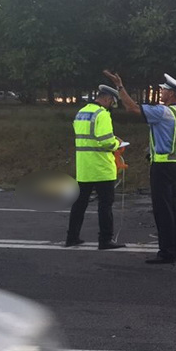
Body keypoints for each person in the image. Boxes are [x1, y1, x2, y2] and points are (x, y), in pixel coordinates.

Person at [105, 70, 176, 264]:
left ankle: (166, 253)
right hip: (175, 164)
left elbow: (132, 108)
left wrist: (120, 87)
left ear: (172, 94)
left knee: (163, 210)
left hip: (161, 165)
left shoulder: (163, 112)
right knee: (174, 208)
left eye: (164, 90)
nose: (161, 92)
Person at [65, 85, 126, 250]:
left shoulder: (82, 112)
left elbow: (89, 137)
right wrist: (117, 143)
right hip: (101, 168)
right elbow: (106, 141)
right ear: (107, 99)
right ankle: (105, 240)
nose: (111, 106)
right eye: (112, 102)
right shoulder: (102, 114)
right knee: (105, 205)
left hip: (84, 167)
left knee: (79, 204)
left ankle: (72, 237)